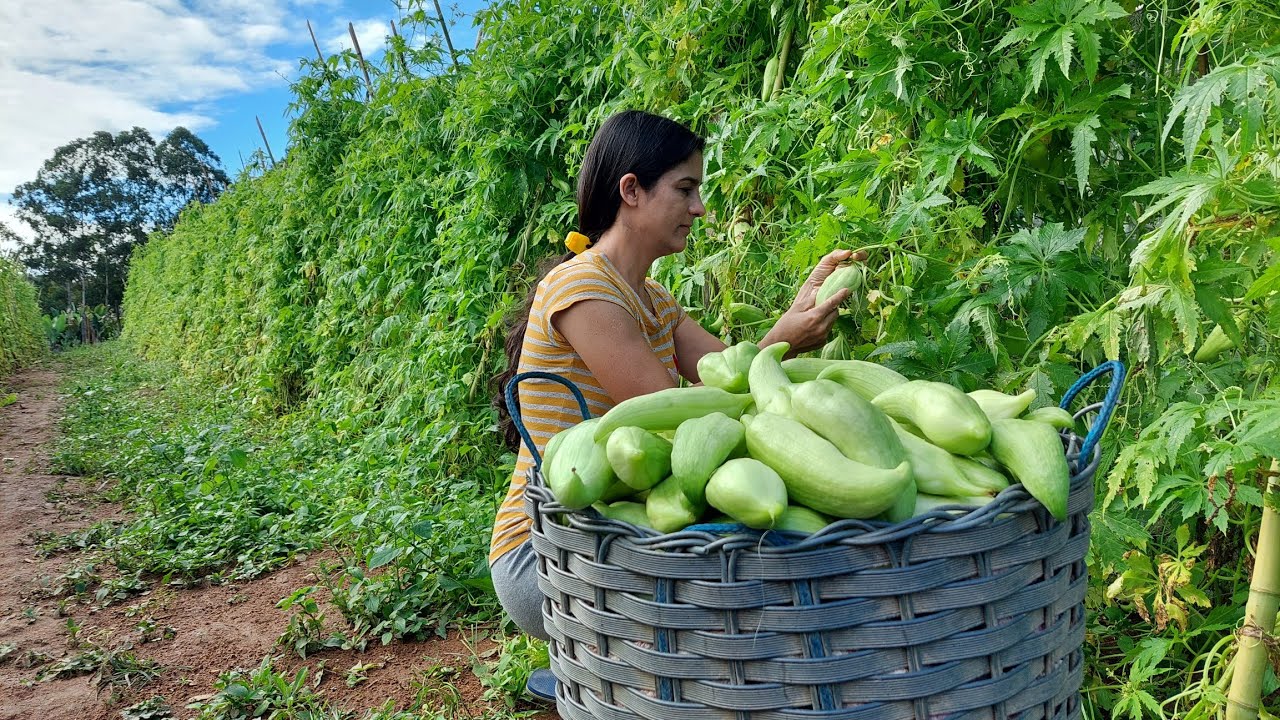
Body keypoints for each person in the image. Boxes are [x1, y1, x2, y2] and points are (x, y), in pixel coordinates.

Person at [488, 110, 862, 699]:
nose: (699, 207)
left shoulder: (654, 299)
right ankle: (596, 667)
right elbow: (675, 416)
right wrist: (784, 348)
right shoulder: (582, 290)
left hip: (610, 538)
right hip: (545, 558)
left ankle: (595, 665)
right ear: (631, 191)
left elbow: (731, 381)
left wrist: (789, 329)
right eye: (685, 189)